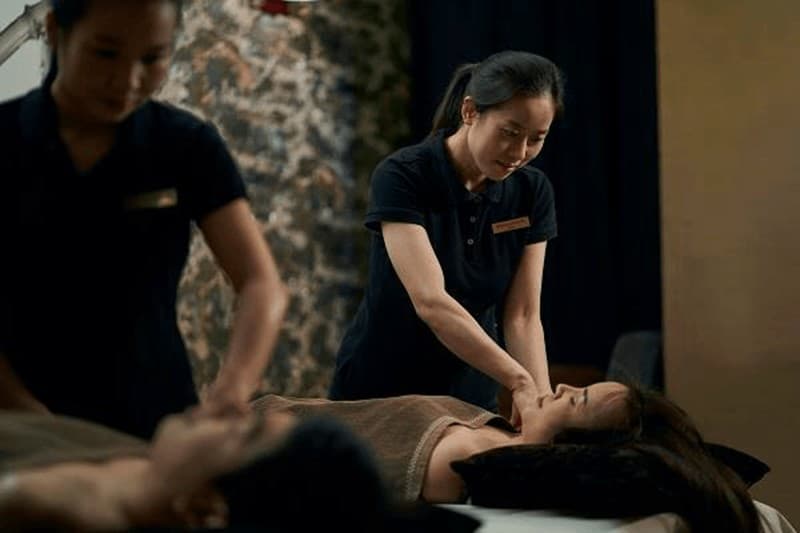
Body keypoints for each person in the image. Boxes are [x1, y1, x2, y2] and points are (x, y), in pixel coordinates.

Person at [0, 0, 289, 438]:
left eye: (152, 58)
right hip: (21, 422)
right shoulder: (6, 140)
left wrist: (230, 392)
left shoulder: (186, 145)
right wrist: (28, 415)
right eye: (106, 53)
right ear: (57, 32)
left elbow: (260, 283)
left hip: (155, 421)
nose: (127, 80)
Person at [0, 382, 762, 532]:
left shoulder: (472, 459)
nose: (559, 385)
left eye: (576, 398)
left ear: (575, 444)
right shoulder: (491, 434)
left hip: (214, 449)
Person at [329, 50, 563, 427]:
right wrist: (518, 380)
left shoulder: (532, 192)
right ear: (470, 111)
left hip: (470, 396)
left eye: (537, 138)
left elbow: (522, 314)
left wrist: (541, 402)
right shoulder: (403, 175)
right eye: (509, 132)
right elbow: (431, 302)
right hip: (381, 390)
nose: (520, 153)